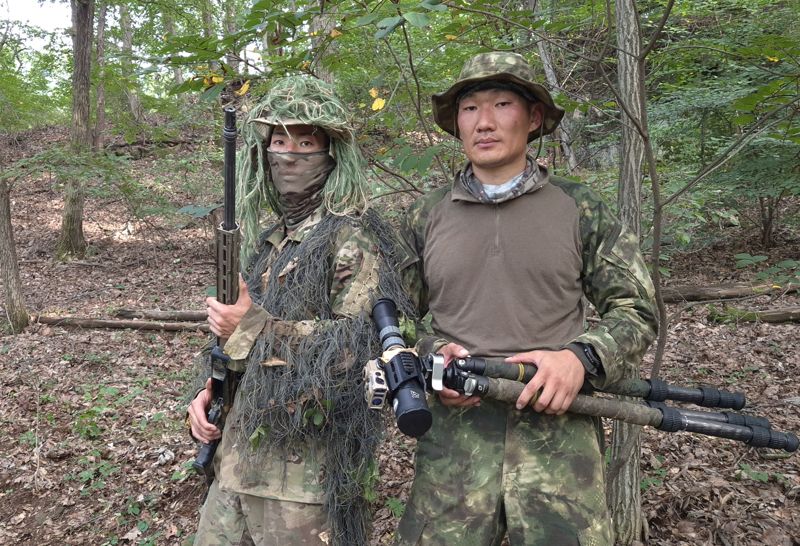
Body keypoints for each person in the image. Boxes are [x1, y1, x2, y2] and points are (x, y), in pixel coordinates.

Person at [395, 52, 659, 545]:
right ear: (457, 123)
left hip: (559, 437)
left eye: (502, 104)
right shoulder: (425, 216)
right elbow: (393, 316)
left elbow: (637, 309)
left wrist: (579, 358)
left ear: (534, 117)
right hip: (455, 442)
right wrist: (430, 353)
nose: (485, 121)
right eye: (470, 108)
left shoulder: (580, 207)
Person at [186, 76, 411, 546]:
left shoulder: (352, 237)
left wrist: (251, 326)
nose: (289, 154)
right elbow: (231, 341)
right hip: (233, 471)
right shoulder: (269, 243)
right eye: (279, 141)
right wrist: (207, 391)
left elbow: (360, 347)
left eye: (306, 141)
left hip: (305, 486)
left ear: (331, 155)